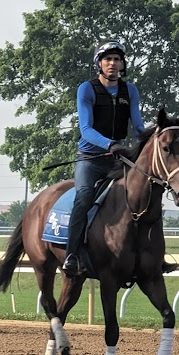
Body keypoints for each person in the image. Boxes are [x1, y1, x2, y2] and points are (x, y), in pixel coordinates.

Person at [62, 39, 145, 277]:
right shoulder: (86, 89)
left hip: (118, 159)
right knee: (85, 195)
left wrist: (158, 135)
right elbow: (86, 129)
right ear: (99, 63)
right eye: (108, 59)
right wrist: (111, 144)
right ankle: (72, 255)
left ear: (122, 64)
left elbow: (138, 126)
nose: (112, 63)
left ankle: (148, 255)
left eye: (117, 59)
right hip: (90, 158)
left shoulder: (130, 91)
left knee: (142, 194)